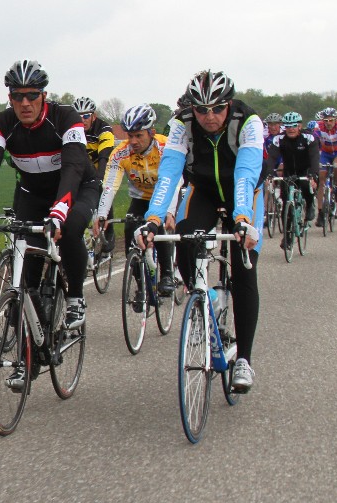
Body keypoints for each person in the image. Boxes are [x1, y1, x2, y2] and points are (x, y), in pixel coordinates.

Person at [0, 59, 99, 383]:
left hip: (77, 188)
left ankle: (75, 297)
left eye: (32, 95)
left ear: (44, 95)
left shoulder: (65, 117)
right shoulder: (2, 123)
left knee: (69, 232)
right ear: (9, 98)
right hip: (32, 194)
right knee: (25, 280)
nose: (25, 102)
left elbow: (73, 168)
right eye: (17, 96)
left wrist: (59, 212)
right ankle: (31, 356)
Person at [135, 69, 264, 393]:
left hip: (244, 192)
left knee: (245, 267)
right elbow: (169, 173)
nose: (209, 116)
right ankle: (205, 300)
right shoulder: (182, 124)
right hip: (203, 190)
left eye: (217, 108)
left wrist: (242, 218)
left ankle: (244, 360)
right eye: (202, 110)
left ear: (228, 104)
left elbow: (246, 172)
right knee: (185, 239)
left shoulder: (248, 122)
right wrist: (153, 218)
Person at [93, 104, 175, 297]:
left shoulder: (166, 147)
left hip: (166, 195)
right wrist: (102, 215)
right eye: (130, 136)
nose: (134, 141)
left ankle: (167, 275)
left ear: (151, 132)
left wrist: (170, 211)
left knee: (158, 227)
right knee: (130, 228)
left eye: (139, 135)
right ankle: (140, 285)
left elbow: (174, 180)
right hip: (141, 197)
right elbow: (110, 186)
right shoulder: (121, 152)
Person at [268, 112, 318, 246]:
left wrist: (313, 175)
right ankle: (287, 236)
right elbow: (271, 158)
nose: (291, 129)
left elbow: (314, 157)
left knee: (306, 186)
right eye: (288, 126)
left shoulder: (309, 138)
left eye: (294, 126)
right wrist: (269, 174)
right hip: (289, 172)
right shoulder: (279, 139)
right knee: (286, 203)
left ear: (299, 126)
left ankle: (310, 204)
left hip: (305, 171)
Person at [75, 96, 117, 254]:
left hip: (101, 166)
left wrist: (99, 179)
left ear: (94, 116)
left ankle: (110, 231)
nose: (82, 120)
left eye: (86, 116)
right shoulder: (73, 129)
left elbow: (104, 157)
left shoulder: (104, 129)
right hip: (82, 170)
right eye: (78, 116)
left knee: (104, 190)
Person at [313, 106, 337, 221]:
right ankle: (320, 213)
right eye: (326, 120)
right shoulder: (318, 126)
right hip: (325, 153)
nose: (328, 123)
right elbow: (315, 142)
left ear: (335, 119)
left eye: (331, 120)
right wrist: (315, 158)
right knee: (321, 180)